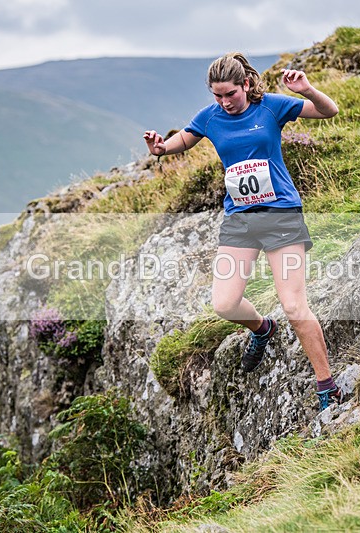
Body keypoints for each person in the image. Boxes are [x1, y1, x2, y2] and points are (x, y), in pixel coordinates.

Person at [143, 52, 343, 411]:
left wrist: (308, 90)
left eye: (230, 94)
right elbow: (183, 140)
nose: (224, 102)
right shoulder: (211, 118)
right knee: (224, 303)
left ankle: (327, 386)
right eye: (217, 95)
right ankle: (262, 328)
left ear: (246, 85)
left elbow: (329, 112)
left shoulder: (270, 107)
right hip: (240, 221)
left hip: (281, 215)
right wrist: (161, 149)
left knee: (295, 306)